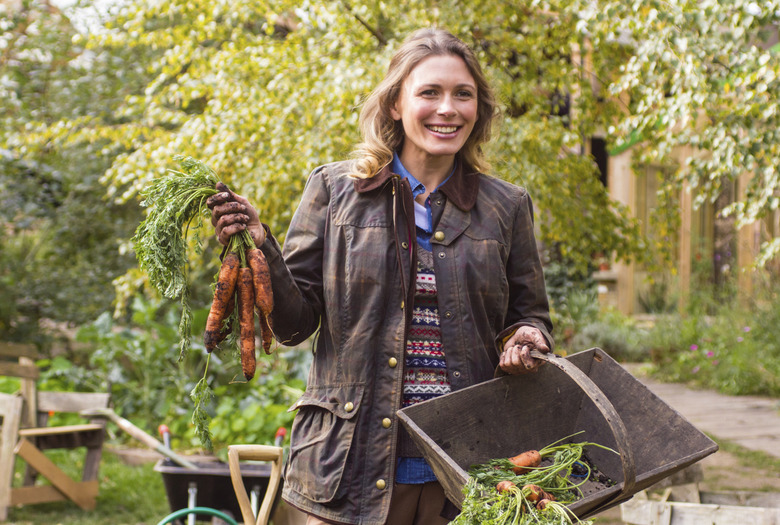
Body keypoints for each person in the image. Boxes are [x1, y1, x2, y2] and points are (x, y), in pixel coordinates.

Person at [208, 27, 553, 525]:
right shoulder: (334, 191)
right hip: (349, 457)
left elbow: (529, 314)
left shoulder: (506, 206)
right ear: (395, 103)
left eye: (464, 94)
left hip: (467, 461)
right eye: (429, 92)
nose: (448, 109)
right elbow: (294, 323)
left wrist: (527, 336)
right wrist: (262, 247)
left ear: (479, 109)